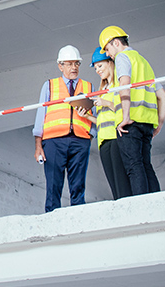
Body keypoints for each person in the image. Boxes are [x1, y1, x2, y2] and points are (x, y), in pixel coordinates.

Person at [98, 25, 165, 196]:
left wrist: (125, 117)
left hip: (131, 122)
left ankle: (140, 206)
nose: (108, 54)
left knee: (133, 166)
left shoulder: (123, 58)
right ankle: (154, 200)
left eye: (107, 49)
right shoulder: (144, 62)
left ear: (116, 43)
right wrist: (158, 124)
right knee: (146, 165)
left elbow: (124, 86)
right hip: (147, 124)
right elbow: (163, 97)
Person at [33, 45, 95, 212]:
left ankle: (78, 219)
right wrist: (38, 145)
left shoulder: (88, 87)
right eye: (69, 64)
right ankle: (52, 221)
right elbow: (41, 115)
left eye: (76, 63)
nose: (73, 68)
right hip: (53, 141)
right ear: (60, 66)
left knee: (78, 185)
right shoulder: (49, 86)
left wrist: (91, 136)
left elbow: (95, 114)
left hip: (80, 140)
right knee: (53, 184)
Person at [75, 48, 131, 200]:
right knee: (113, 183)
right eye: (96, 68)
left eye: (100, 66)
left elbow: (124, 108)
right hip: (103, 141)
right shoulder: (103, 89)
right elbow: (103, 118)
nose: (98, 71)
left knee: (121, 180)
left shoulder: (118, 85)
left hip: (116, 137)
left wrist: (105, 102)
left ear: (110, 63)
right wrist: (87, 116)